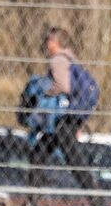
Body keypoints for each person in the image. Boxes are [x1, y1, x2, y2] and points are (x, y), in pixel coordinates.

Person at [31, 27, 96, 190]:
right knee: (39, 154)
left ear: (55, 42)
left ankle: (96, 198)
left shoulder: (58, 60)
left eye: (49, 40)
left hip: (62, 118)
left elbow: (64, 86)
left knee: (72, 158)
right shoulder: (70, 58)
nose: (46, 44)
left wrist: (45, 91)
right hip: (67, 117)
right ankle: (32, 197)